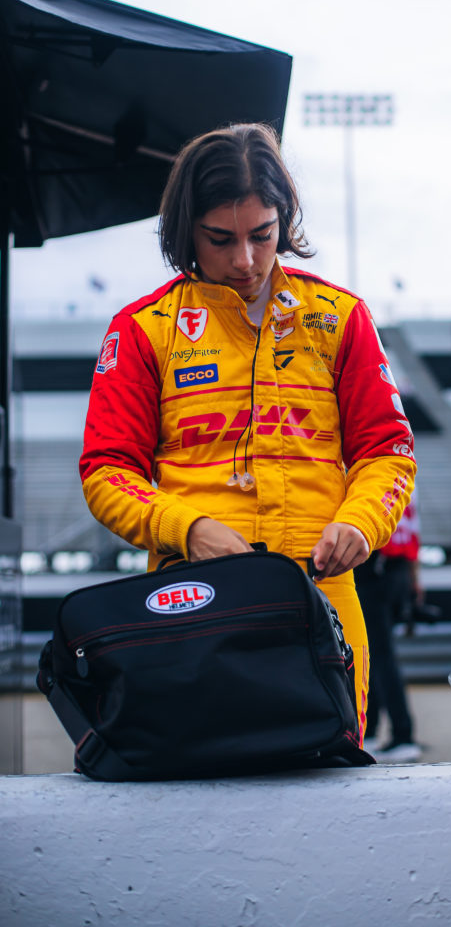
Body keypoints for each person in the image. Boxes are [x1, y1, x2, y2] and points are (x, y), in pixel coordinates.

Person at [79, 123, 416, 739]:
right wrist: (188, 529)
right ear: (187, 231)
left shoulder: (341, 318)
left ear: (283, 222)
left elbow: (387, 451)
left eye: (262, 235)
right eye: (220, 238)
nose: (244, 260)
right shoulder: (141, 330)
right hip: (189, 600)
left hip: (321, 597)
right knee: (199, 784)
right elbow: (106, 471)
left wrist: (361, 520)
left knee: (329, 786)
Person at [355, 494, 423, 762]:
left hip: (376, 567)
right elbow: (414, 528)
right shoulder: (405, 478)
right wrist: (415, 578)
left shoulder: (373, 471)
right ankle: (370, 732)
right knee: (376, 653)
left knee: (378, 655)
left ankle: (402, 735)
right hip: (397, 569)